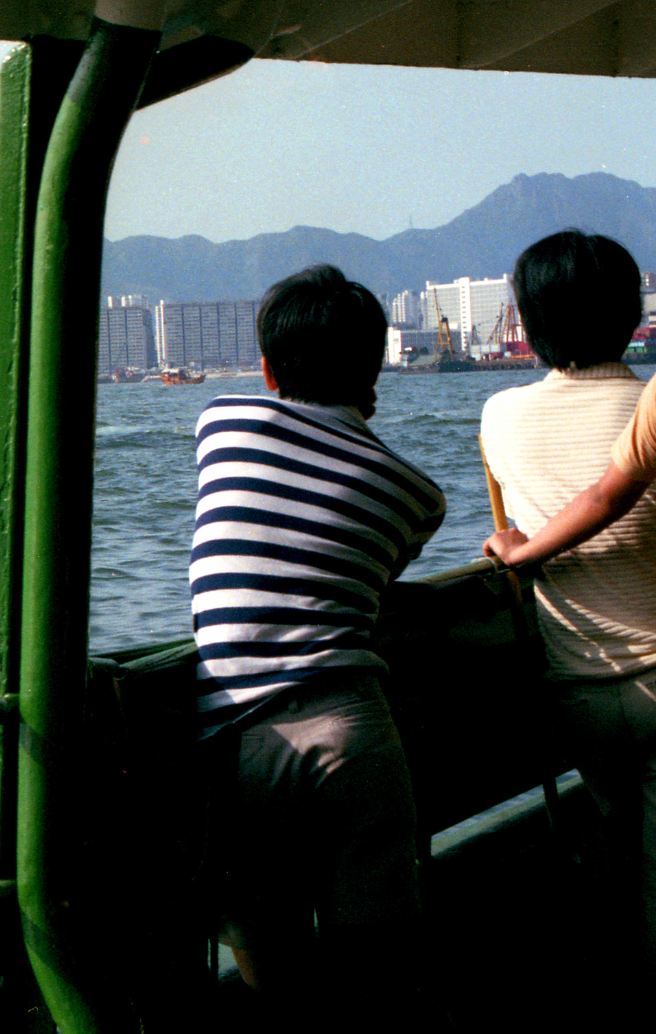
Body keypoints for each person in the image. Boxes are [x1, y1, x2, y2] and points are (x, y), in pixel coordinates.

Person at [191, 264, 446, 1016]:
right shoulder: (417, 494)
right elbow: (371, 581)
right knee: (380, 970)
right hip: (353, 725)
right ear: (376, 371)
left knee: (271, 963)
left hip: (239, 735)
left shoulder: (220, 424)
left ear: (267, 368)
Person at [482, 231, 656, 1017]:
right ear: (632, 313)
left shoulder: (498, 417)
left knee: (619, 866)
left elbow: (513, 535)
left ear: (528, 325)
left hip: (577, 693)